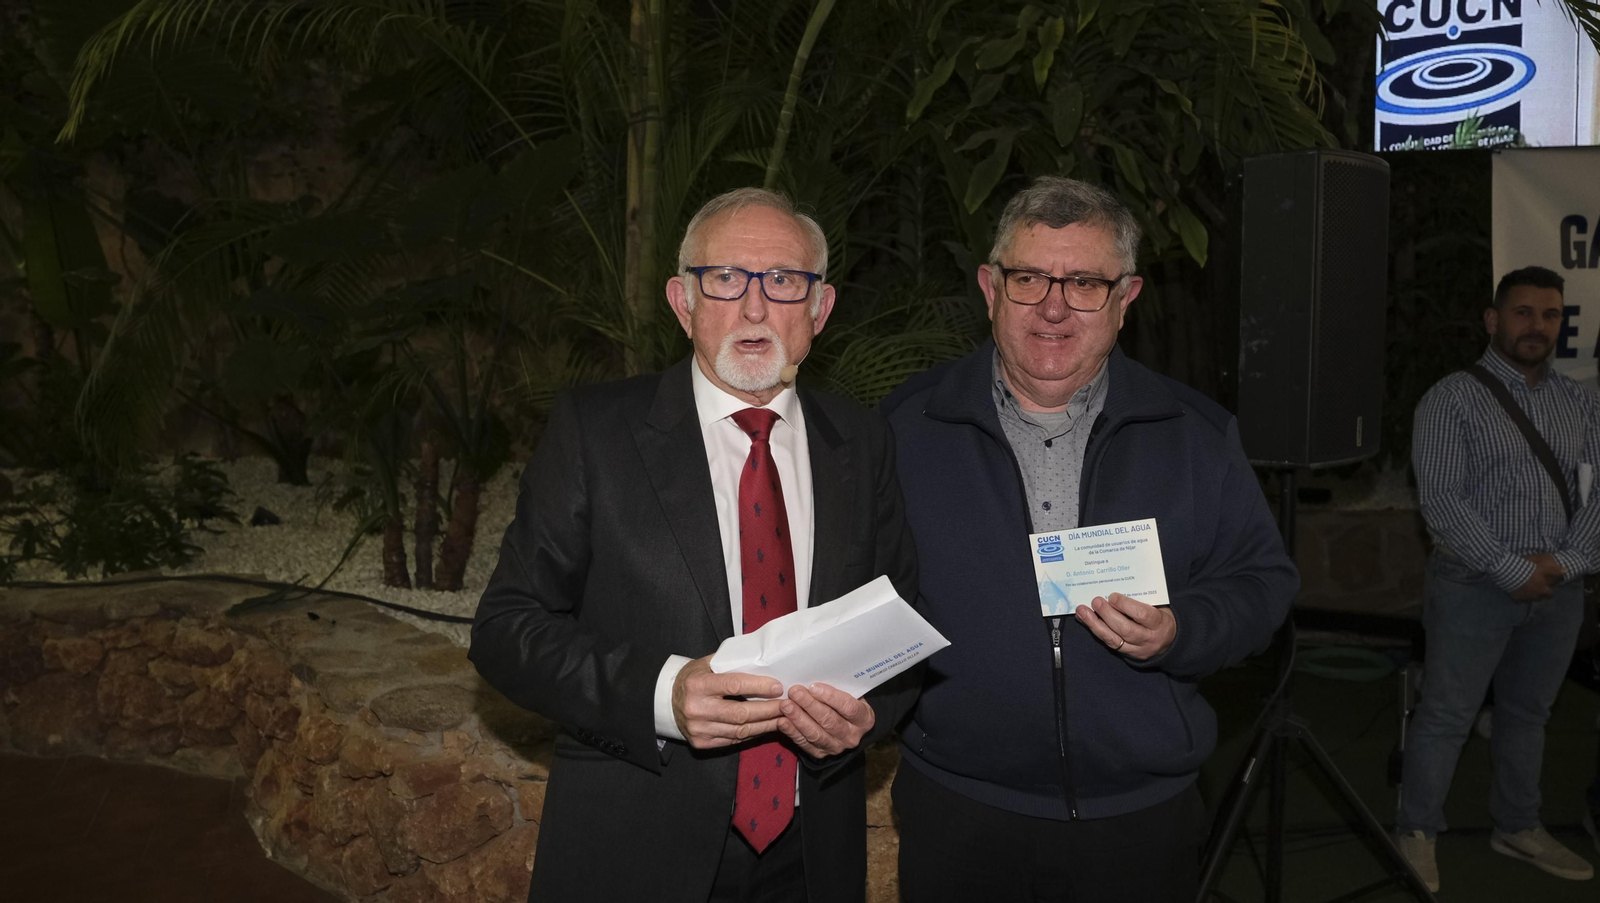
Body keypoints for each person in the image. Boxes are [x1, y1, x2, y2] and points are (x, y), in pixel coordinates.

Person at [469, 188, 919, 903]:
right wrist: (660, 692)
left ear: (820, 309)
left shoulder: (861, 443)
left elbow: (901, 628)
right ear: (683, 303)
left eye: (782, 281)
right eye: (725, 279)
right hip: (635, 845)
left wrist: (870, 715)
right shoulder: (597, 433)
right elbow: (505, 629)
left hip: (810, 857)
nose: (753, 307)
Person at [880, 176, 1297, 902]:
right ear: (989, 286)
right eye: (1030, 277)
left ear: (1127, 297)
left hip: (1137, 821)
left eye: (1084, 282)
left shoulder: (1194, 434)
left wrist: (1181, 628)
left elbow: (1263, 582)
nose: (1053, 305)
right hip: (960, 812)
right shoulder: (904, 430)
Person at [1397, 265, 1598, 891]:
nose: (1536, 326)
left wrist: (1563, 565)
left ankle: (1518, 825)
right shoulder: (1450, 398)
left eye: (1549, 315)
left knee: (1528, 714)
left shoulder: (1582, 402)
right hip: (1473, 587)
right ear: (1493, 320)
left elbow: (1598, 499)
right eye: (1522, 313)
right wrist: (1513, 569)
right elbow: (1442, 502)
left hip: (1560, 590)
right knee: (1446, 715)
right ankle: (1416, 832)